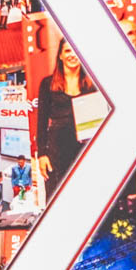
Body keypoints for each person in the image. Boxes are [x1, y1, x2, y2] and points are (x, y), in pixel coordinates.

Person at [33, 37, 95, 202]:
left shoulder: (92, 84)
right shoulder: (48, 84)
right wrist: (42, 154)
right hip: (57, 152)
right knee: (58, 199)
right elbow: (41, 122)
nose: (72, 55)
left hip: (85, 150)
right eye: (67, 50)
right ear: (60, 55)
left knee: (86, 197)